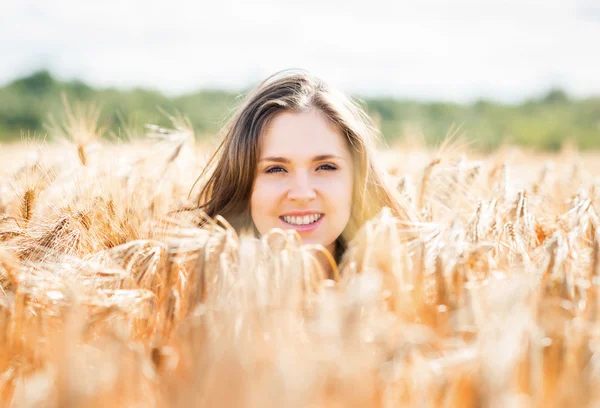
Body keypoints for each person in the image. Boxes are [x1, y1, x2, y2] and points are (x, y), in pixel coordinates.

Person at [193, 69, 410, 272]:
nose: (302, 193)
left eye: (325, 167)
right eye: (276, 169)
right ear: (243, 183)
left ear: (358, 179)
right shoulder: (183, 305)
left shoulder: (419, 304)